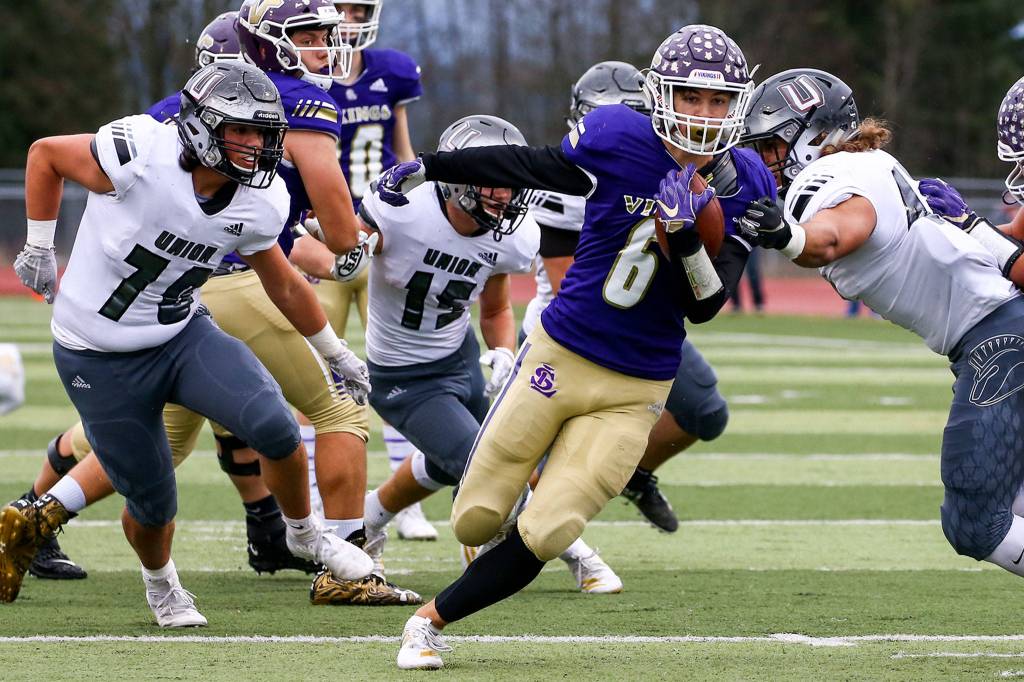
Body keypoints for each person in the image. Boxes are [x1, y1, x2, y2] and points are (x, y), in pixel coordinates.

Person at [374, 24, 773, 669]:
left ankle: (429, 622)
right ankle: (468, 549)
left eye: (718, 101)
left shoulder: (742, 180)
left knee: (552, 526)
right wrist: (430, 165)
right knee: (475, 516)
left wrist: (688, 234)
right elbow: (537, 165)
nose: (703, 115)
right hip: (559, 354)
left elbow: (703, 305)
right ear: (662, 94)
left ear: (737, 105)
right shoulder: (618, 135)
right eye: (692, 98)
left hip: (637, 384)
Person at [0, 62, 374, 625]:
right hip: (97, 354)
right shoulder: (141, 153)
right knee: (154, 506)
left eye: (263, 133)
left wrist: (334, 351)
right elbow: (45, 153)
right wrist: (37, 245)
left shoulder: (260, 199)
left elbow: (283, 280)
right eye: (240, 131)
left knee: (274, 425)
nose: (254, 146)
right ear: (200, 126)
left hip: (180, 333)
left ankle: (304, 535)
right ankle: (162, 584)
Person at [737, 68, 1024, 595]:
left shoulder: (832, 177)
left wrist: (792, 236)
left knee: (974, 523)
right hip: (1001, 330)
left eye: (771, 144)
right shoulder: (870, 161)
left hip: (999, 340)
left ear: (812, 134)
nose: (764, 160)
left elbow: (841, 230)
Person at [296, 114, 542, 602]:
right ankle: (574, 553)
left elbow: (494, 307)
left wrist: (502, 352)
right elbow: (303, 245)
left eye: (511, 183)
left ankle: (370, 517)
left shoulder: (514, 234)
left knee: (478, 458)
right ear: (455, 181)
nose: (504, 195)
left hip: (461, 359)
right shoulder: (403, 209)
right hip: (403, 374)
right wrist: (346, 256)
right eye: (492, 182)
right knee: (487, 466)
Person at [310, 0, 436, 542]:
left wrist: (417, 207)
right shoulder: (304, 76)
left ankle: (404, 501)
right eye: (343, 8)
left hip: (384, 234)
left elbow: (402, 151)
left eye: (361, 8)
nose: (353, 18)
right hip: (324, 240)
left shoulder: (391, 70)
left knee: (398, 371)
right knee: (318, 377)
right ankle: (319, 505)